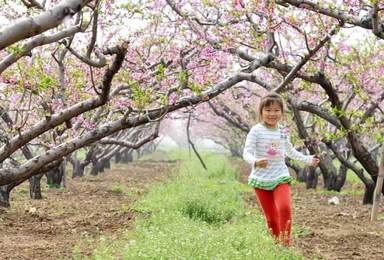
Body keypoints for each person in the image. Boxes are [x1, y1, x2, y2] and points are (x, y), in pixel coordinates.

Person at [243, 92, 319, 246]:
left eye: (276, 110)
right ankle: (277, 245)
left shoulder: (283, 130)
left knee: (284, 208)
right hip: (261, 179)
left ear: (282, 113)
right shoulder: (256, 130)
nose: (272, 114)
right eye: (268, 110)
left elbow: (289, 151)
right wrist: (255, 162)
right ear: (261, 112)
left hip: (280, 176)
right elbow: (247, 152)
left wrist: (308, 160)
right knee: (271, 218)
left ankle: (285, 245)